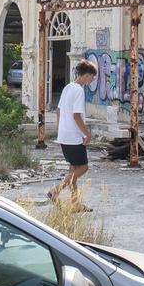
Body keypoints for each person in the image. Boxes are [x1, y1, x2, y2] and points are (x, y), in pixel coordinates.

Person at [49, 59, 97, 207]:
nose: (92, 80)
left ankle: (75, 204)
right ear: (87, 75)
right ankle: (55, 190)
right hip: (74, 136)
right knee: (83, 167)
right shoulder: (79, 90)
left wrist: (62, 127)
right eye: (92, 77)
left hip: (64, 135)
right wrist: (87, 134)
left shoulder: (68, 87)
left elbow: (58, 110)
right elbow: (76, 116)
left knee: (73, 169)